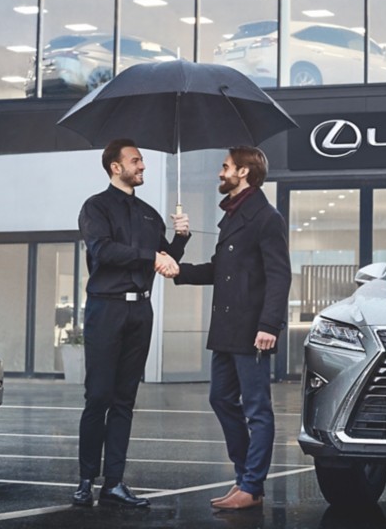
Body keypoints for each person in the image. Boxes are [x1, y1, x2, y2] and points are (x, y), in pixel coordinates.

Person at [72, 138, 190, 509]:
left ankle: (115, 483)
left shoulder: (150, 214)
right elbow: (102, 251)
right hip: (105, 310)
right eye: (135, 161)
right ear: (115, 167)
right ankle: (85, 479)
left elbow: (166, 260)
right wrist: (151, 256)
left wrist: (181, 239)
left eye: (142, 161)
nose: (142, 166)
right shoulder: (96, 207)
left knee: (125, 400)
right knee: (99, 397)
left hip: (141, 311)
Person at [175, 146, 290, 512]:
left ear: (243, 172)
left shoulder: (265, 217)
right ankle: (245, 479)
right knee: (220, 398)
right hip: (227, 327)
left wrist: (270, 324)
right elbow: (218, 268)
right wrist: (180, 270)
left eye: (225, 167)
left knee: (257, 410)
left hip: (253, 329)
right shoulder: (233, 214)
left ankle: (252, 484)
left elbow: (279, 274)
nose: (220, 172)